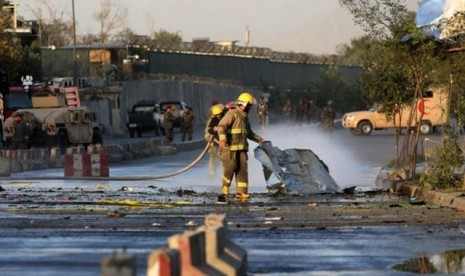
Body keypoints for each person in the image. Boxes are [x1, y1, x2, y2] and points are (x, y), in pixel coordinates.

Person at [217, 92, 264, 202]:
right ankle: (225, 188)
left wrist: (258, 139)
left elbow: (249, 133)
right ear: (243, 104)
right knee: (230, 168)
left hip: (241, 150)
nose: (250, 108)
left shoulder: (245, 117)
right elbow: (221, 126)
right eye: (249, 105)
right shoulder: (232, 114)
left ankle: (242, 193)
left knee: (242, 171)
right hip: (230, 149)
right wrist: (223, 139)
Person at [205, 104, 225, 177]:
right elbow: (209, 129)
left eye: (219, 114)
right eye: (216, 115)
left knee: (223, 158)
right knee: (213, 158)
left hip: (224, 142)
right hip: (215, 141)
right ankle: (212, 173)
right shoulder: (213, 119)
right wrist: (213, 130)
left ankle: (224, 174)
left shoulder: (226, 118)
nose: (218, 116)